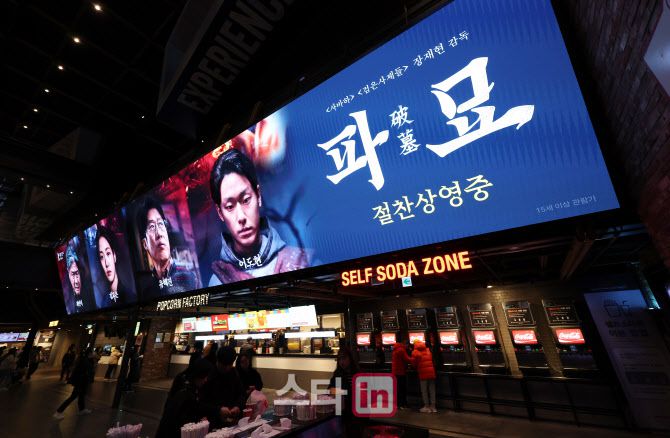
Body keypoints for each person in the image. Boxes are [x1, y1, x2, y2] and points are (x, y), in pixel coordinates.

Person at [208, 149, 310, 286]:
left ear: (258, 196)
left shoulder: (303, 262)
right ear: (220, 213)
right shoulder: (217, 281)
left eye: (246, 200)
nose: (241, 217)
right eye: (230, 206)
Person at [137, 197, 197, 296]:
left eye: (161, 224)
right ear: (145, 244)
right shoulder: (148, 293)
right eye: (151, 226)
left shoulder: (189, 278)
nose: (159, 234)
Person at [156, 359, 216, 438]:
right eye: (204, 377)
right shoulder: (186, 392)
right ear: (198, 374)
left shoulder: (190, 386)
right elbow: (181, 420)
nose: (206, 380)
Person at [201, 346, 245, 429]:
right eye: (224, 365)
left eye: (230, 365)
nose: (227, 368)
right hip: (211, 423)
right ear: (217, 361)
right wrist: (218, 410)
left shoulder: (233, 373)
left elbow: (241, 394)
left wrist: (237, 406)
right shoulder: (208, 375)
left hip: (231, 422)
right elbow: (201, 403)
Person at [53, 348, 93, 419]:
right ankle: (58, 412)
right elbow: (83, 372)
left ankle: (82, 409)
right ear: (89, 353)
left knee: (81, 396)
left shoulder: (84, 360)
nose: (93, 355)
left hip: (81, 382)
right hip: (80, 382)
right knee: (73, 397)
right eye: (92, 353)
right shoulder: (84, 361)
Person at [97, 226, 132, 307]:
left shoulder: (130, 296)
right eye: (101, 257)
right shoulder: (104, 303)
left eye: (108, 253)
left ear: (114, 256)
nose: (106, 263)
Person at [328, 346, 360, 416]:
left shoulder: (358, 374)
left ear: (350, 358)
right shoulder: (337, 374)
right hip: (344, 412)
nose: (341, 361)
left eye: (344, 358)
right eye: (339, 359)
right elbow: (330, 390)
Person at [64, 245, 94, 313]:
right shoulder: (67, 297)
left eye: (77, 274)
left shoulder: (90, 291)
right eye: (73, 274)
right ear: (68, 272)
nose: (76, 281)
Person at [412, 339, 437, 413]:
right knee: (432, 389)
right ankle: (433, 407)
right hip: (431, 372)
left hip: (423, 373)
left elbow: (414, 364)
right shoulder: (428, 350)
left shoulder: (415, 352)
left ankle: (426, 407)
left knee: (424, 390)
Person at [392, 333, 414, 409]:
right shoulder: (401, 350)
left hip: (396, 371)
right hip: (400, 372)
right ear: (405, 344)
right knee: (402, 388)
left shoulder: (396, 348)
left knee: (398, 389)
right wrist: (416, 358)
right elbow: (407, 359)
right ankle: (401, 404)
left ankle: (399, 404)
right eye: (407, 345)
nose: (408, 346)